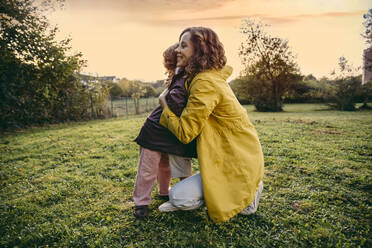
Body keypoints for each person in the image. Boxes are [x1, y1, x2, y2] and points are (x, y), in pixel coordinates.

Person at [157, 27, 264, 223]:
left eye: (183, 46)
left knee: (178, 197)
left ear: (199, 51)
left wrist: (165, 107)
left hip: (237, 160)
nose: (177, 50)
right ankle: (219, 192)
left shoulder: (205, 82)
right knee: (179, 196)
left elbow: (185, 132)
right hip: (222, 157)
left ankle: (250, 190)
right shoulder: (201, 77)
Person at [132, 43, 197, 218]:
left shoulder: (188, 76)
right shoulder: (177, 76)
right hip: (155, 130)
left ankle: (164, 191)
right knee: (148, 168)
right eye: (174, 61)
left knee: (165, 165)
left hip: (172, 130)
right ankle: (141, 202)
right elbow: (175, 103)